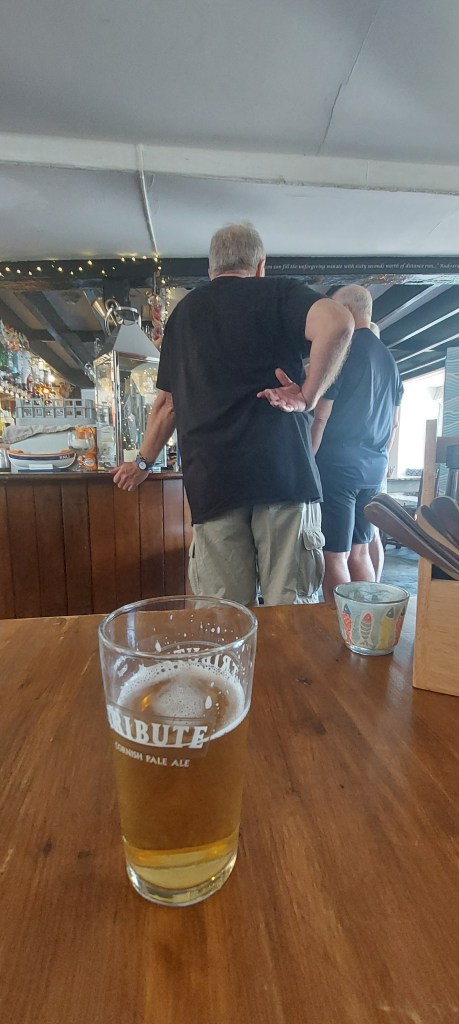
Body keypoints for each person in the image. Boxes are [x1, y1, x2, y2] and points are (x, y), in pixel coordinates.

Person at [111, 223, 353, 605]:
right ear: (260, 266)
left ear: (211, 270)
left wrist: (142, 463)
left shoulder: (184, 314)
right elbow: (339, 322)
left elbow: (167, 405)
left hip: (214, 479)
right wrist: (308, 396)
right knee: (290, 616)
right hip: (283, 473)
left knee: (223, 619)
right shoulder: (280, 293)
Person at [310, 285, 403, 604]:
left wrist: (308, 460)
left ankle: (341, 626)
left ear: (347, 310)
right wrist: (380, 458)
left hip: (337, 467)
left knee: (334, 555)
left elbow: (321, 415)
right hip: (372, 469)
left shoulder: (342, 348)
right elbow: (393, 423)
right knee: (360, 550)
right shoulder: (388, 358)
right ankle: (368, 622)